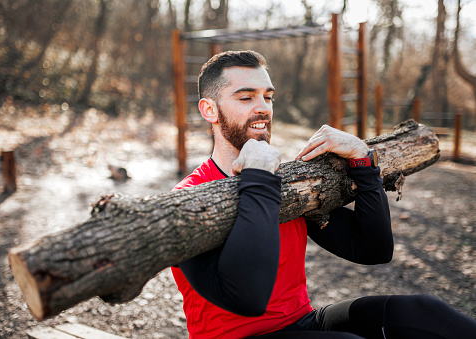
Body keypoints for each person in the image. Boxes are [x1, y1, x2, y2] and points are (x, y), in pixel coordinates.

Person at [170, 50, 476, 338]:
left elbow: (372, 250)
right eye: (246, 97)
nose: (263, 106)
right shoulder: (187, 199)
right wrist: (258, 179)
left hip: (302, 321)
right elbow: (249, 298)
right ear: (209, 110)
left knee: (419, 312)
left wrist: (363, 161)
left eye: (268, 96)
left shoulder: (290, 181)